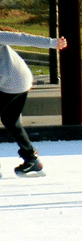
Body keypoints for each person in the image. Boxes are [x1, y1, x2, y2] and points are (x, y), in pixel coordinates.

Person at [0, 27, 67, 176]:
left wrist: (52, 43)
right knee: (10, 120)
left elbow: (21, 38)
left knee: (10, 119)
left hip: (14, 80)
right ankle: (32, 159)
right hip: (17, 80)